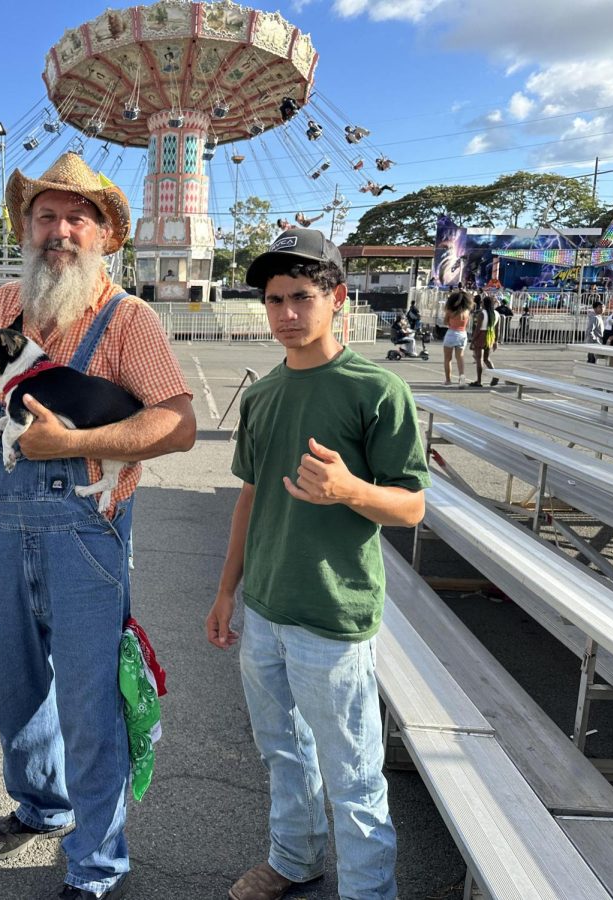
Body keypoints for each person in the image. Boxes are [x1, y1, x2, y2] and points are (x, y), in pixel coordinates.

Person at [0, 152, 195, 900]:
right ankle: (43, 805)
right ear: (25, 226)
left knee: (88, 701)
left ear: (105, 233)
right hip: (3, 530)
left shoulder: (126, 319)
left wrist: (71, 444)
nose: (60, 230)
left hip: (87, 537)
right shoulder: (3, 310)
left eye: (79, 217)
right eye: (46, 215)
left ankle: (98, 866)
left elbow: (179, 424)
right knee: (16, 690)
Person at [206, 228, 428, 900]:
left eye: (302, 296)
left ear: (337, 298)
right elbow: (248, 497)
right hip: (266, 609)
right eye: (274, 300)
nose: (286, 313)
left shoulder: (377, 390)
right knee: (285, 754)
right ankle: (293, 858)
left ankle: (369, 893)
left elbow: (412, 507)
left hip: (332, 616)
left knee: (352, 773)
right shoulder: (265, 394)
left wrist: (349, 491)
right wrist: (226, 593)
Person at [442, 289, 471, 387]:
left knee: (447, 359)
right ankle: (462, 379)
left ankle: (448, 380)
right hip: (462, 334)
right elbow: (467, 325)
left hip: (451, 333)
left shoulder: (450, 311)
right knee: (460, 358)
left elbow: (445, 322)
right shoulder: (466, 312)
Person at [469, 294, 499, 387]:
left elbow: (478, 329)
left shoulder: (482, 314)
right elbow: (497, 329)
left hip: (481, 336)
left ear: (484, 304)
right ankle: (495, 375)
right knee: (486, 359)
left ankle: (479, 381)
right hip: (490, 336)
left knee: (479, 359)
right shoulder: (496, 314)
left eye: (482, 302)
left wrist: (473, 340)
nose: (481, 304)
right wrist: (496, 341)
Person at [586, 300, 605, 364]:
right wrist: (595, 340)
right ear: (595, 309)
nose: (602, 309)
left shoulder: (599, 317)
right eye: (600, 307)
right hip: (594, 344)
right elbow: (589, 331)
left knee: (593, 361)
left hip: (596, 343)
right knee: (592, 361)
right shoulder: (595, 318)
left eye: (603, 307)